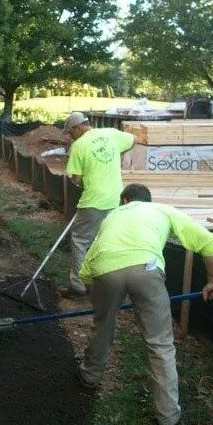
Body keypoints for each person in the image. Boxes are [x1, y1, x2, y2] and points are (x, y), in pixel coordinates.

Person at [76, 183, 213, 425]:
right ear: (149, 200)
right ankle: (167, 416)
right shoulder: (162, 210)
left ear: (124, 200)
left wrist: (97, 297)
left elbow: (89, 263)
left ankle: (89, 376)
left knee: (103, 328)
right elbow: (208, 241)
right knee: (160, 343)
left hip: (105, 270)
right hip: (147, 269)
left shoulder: (112, 216)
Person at [63, 112, 135, 299]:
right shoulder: (111, 133)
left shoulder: (78, 146)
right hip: (114, 199)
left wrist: (81, 181)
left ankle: (78, 286)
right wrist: (114, 158)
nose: (70, 136)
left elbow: (76, 179)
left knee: (80, 241)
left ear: (77, 128)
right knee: (105, 240)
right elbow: (132, 140)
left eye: (70, 132)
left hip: (93, 201)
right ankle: (106, 284)